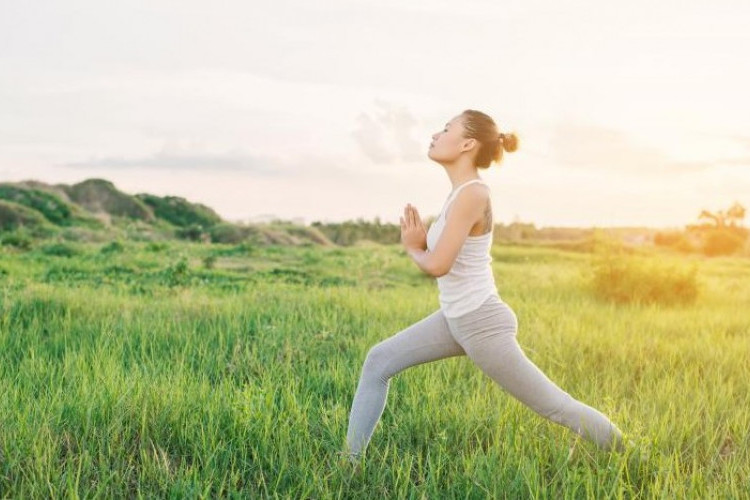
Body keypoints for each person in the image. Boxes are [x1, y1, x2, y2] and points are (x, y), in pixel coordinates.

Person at [339, 109, 623, 467]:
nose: (435, 134)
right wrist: (421, 244)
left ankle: (634, 458)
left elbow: (437, 264)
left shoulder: (473, 194)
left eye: (446, 129)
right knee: (378, 361)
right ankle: (348, 465)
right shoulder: (458, 194)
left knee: (555, 406)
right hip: (456, 318)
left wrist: (413, 246)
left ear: (467, 144)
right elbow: (446, 259)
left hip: (481, 323)